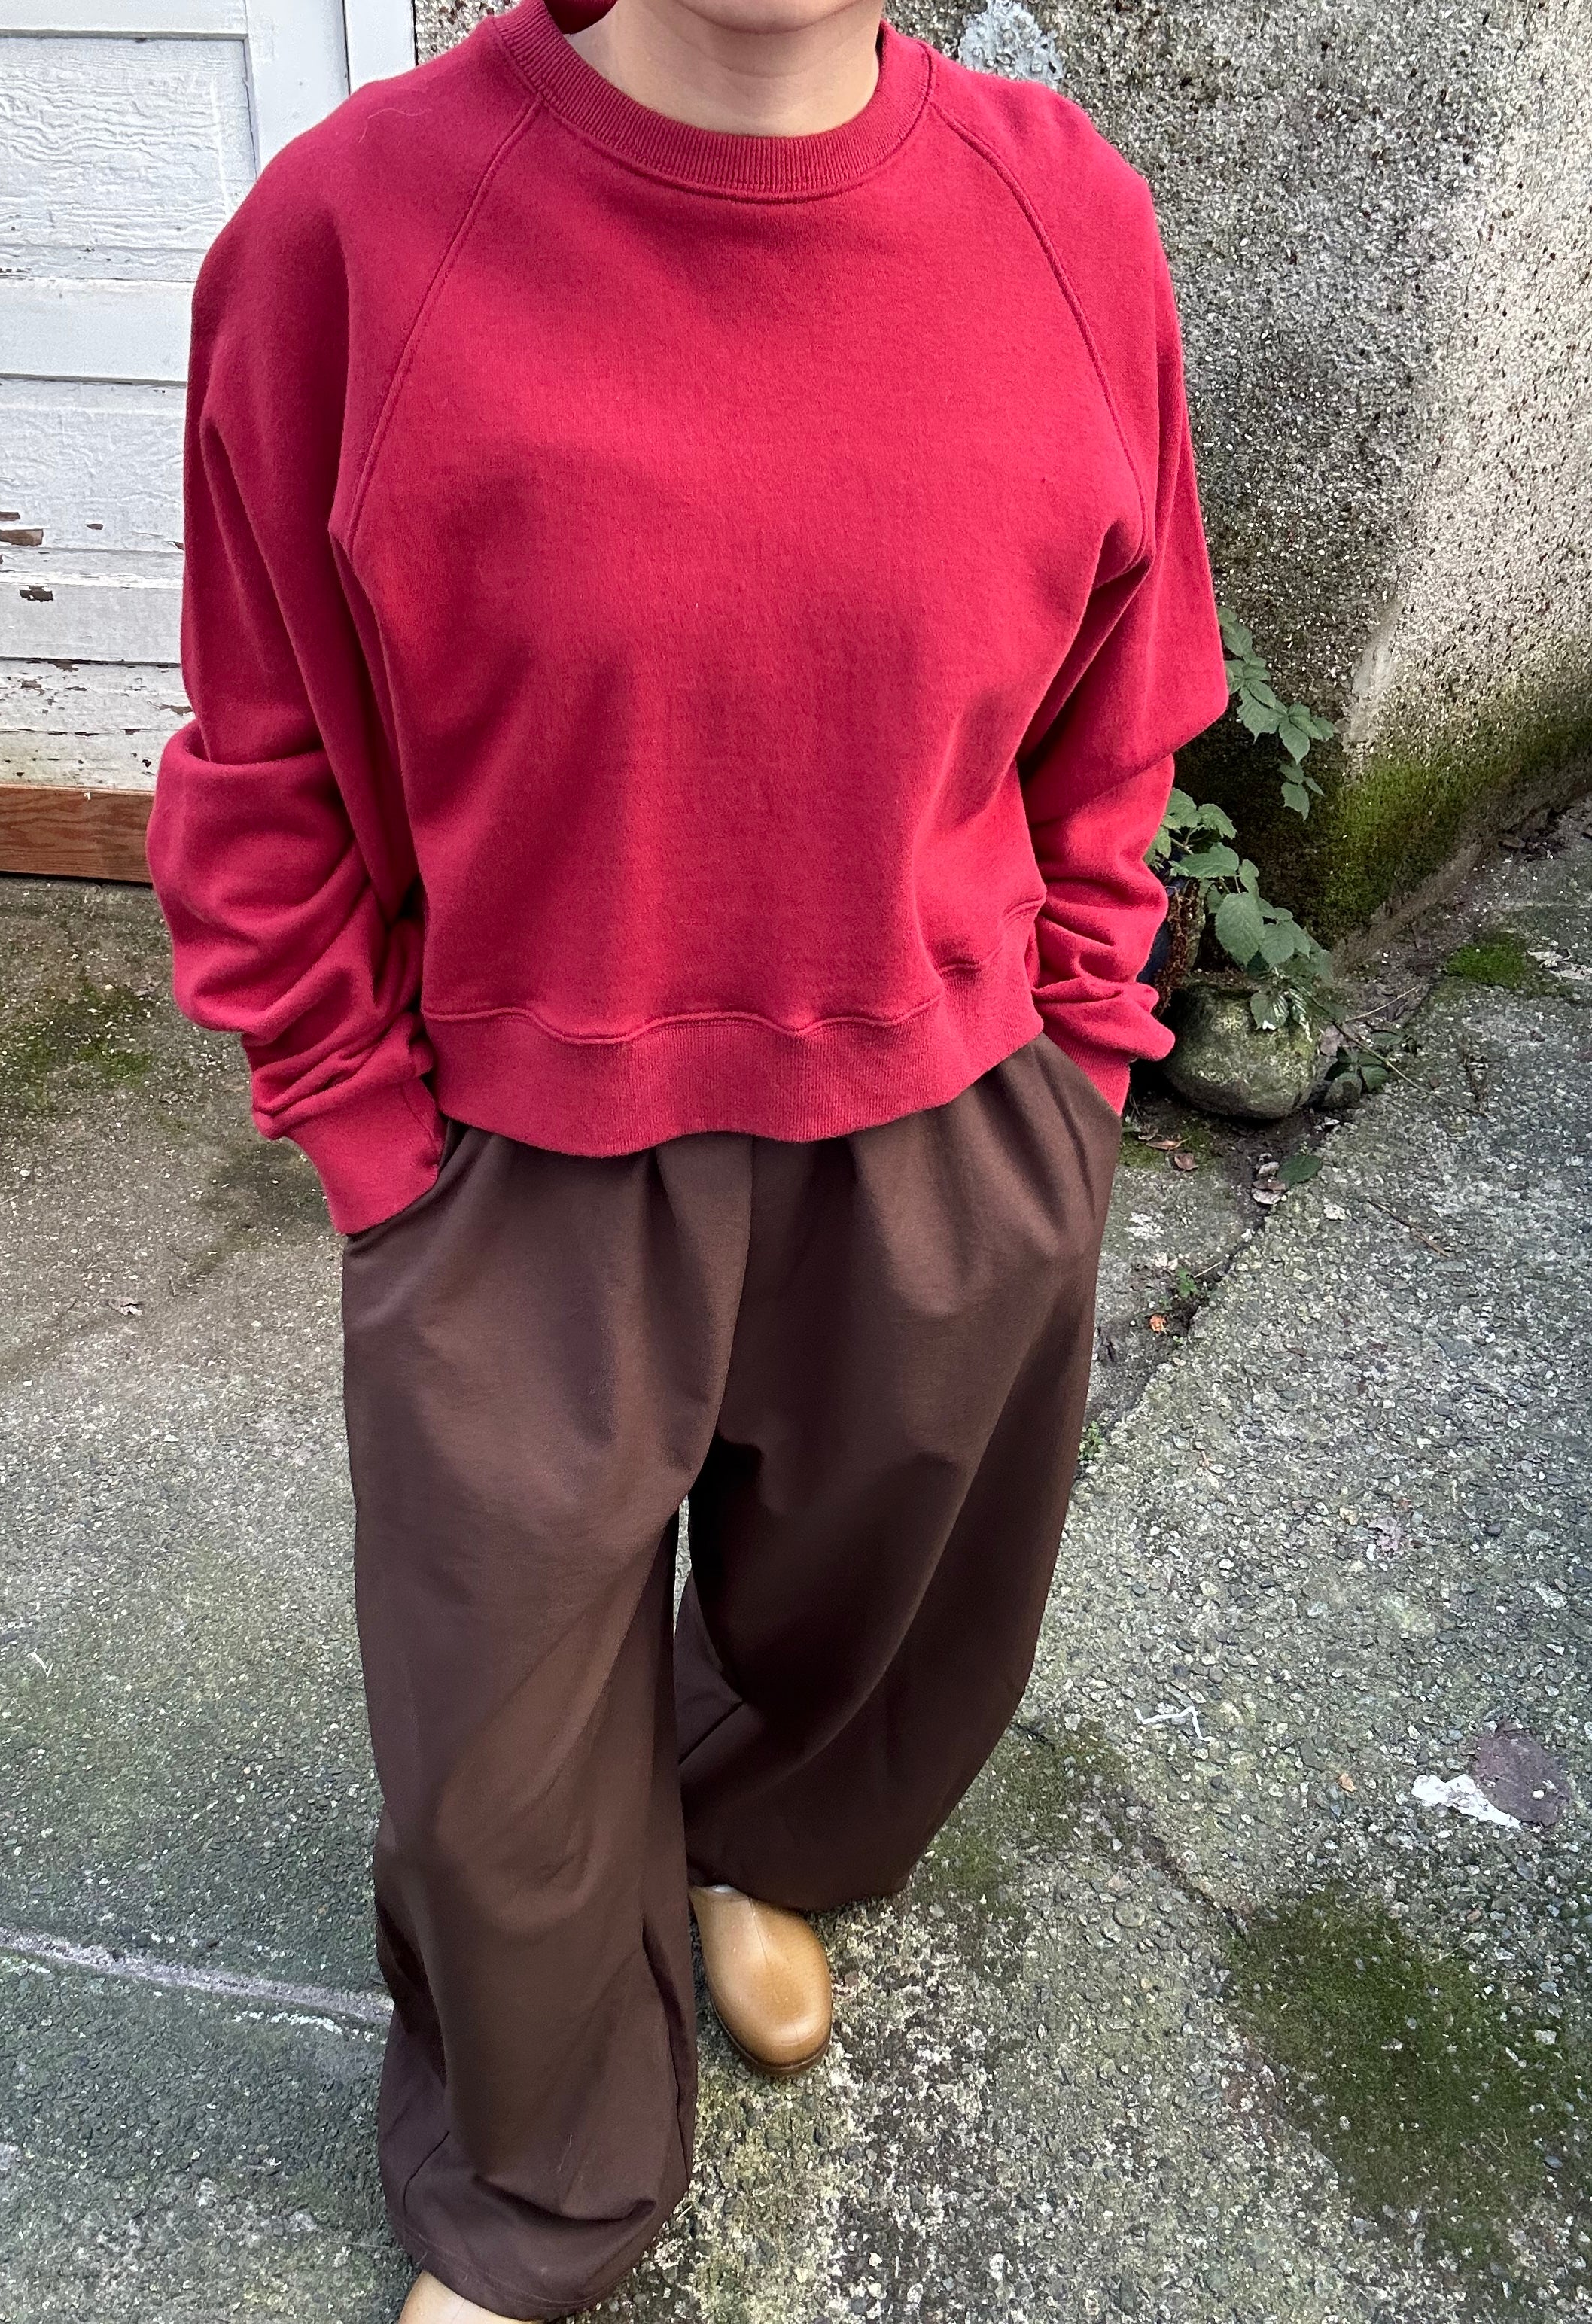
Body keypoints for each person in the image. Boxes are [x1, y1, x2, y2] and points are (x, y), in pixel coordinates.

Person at [147, 0, 1229, 2313]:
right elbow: (261, 761)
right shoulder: (353, 236)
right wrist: (366, 1133)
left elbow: (1127, 699)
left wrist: (1074, 1061)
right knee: (494, 1745)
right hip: (519, 1153)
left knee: (879, 1611)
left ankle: (759, 1841)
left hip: (946, 1114)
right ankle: (541, 2187)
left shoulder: (1062, 216)